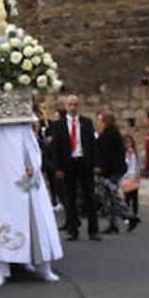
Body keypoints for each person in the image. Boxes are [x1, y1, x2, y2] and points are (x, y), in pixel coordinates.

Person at [53, 94, 99, 240]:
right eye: (70, 104)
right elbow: (56, 148)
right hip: (68, 163)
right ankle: (73, 230)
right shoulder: (59, 125)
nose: (73, 107)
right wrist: (58, 168)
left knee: (90, 197)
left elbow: (93, 145)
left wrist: (96, 164)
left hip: (84, 162)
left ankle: (93, 231)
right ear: (66, 106)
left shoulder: (86, 123)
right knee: (70, 198)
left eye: (75, 104)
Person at [93, 112, 127, 234]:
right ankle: (114, 223)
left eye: (99, 121)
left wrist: (100, 168)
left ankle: (127, 216)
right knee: (109, 197)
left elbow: (107, 156)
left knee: (111, 197)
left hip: (110, 171)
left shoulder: (108, 136)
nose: (97, 123)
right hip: (114, 170)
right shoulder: (112, 134)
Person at [119, 133, 142, 232]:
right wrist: (127, 156)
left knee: (135, 197)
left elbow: (137, 164)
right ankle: (128, 215)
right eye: (127, 143)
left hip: (133, 176)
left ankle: (135, 214)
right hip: (126, 177)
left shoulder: (135, 153)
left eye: (130, 143)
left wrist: (138, 175)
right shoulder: (124, 154)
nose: (129, 145)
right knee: (127, 197)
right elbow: (125, 164)